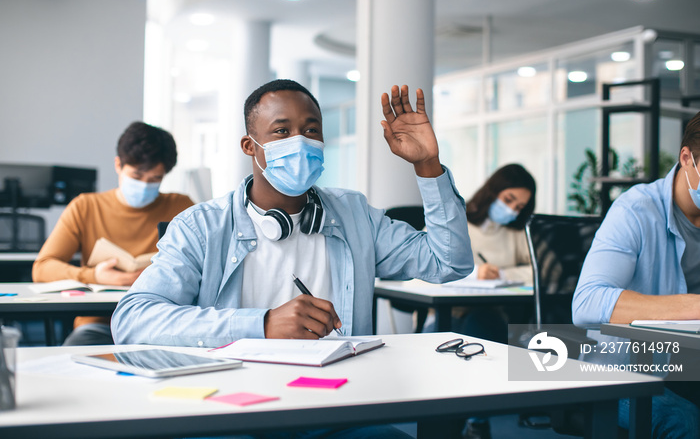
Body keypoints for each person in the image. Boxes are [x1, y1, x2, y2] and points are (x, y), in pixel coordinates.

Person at [111, 80, 472, 438]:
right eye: (281, 130)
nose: (299, 141)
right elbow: (132, 321)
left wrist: (428, 165)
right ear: (250, 146)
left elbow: (448, 263)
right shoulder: (201, 225)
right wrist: (262, 324)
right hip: (228, 407)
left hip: (334, 407)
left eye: (311, 129)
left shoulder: (354, 214)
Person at [572, 111, 700, 438]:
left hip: (690, 367)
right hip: (626, 369)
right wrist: (690, 307)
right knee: (684, 422)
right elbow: (586, 303)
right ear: (687, 158)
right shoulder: (636, 210)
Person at [32, 121, 194, 346]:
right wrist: (95, 276)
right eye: (137, 176)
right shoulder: (85, 207)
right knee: (74, 355)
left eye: (155, 179)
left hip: (162, 321)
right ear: (118, 165)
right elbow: (42, 268)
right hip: (99, 324)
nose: (145, 185)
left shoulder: (182, 206)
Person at [457, 164, 536, 439]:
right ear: (492, 192)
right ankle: (476, 421)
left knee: (486, 326)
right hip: (451, 318)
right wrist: (474, 273)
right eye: (509, 200)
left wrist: (502, 272)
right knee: (480, 327)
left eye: (520, 206)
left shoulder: (515, 232)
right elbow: (423, 267)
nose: (512, 210)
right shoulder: (455, 221)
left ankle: (474, 419)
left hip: (496, 319)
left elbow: (542, 271)